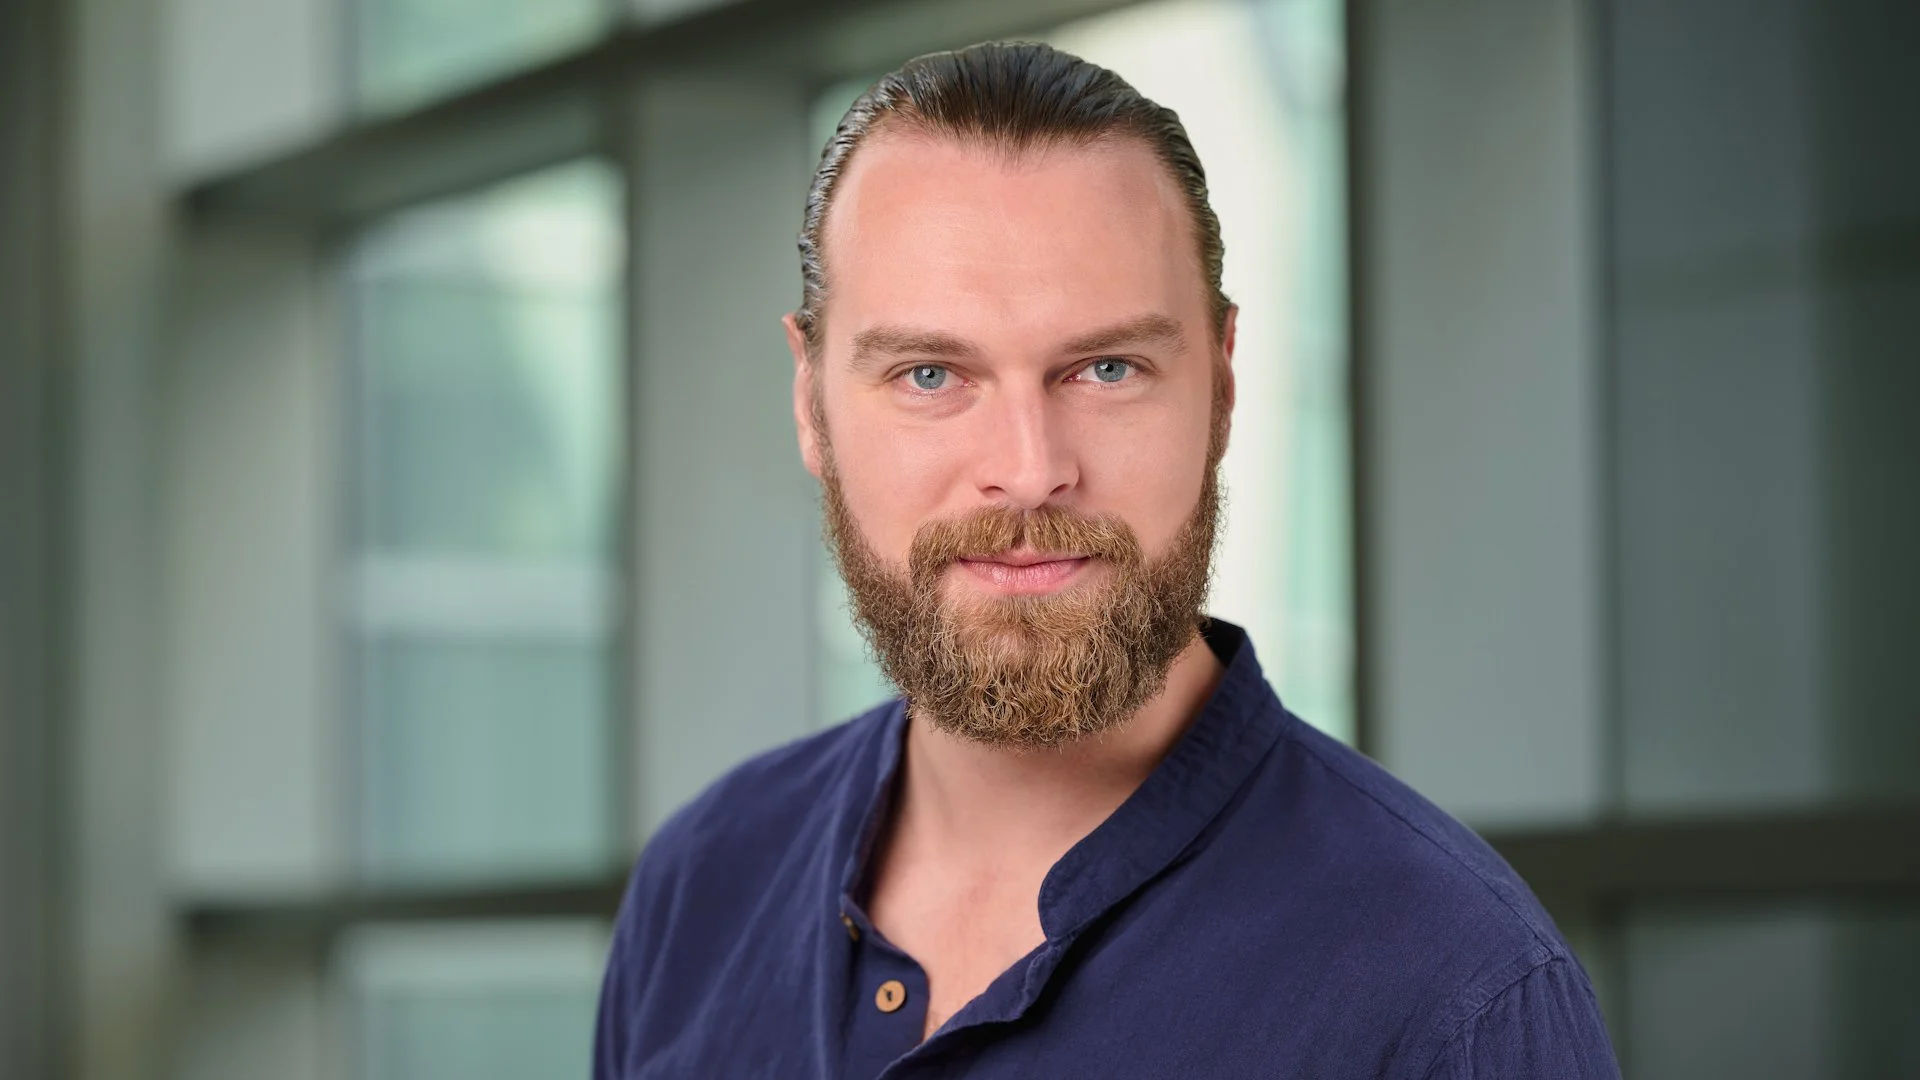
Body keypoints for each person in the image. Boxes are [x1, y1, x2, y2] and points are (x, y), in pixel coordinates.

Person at [593, 41, 1620, 1079]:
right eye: (932, 373)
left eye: (1108, 368)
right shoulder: (702, 886)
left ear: (1220, 387)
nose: (1030, 471)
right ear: (811, 403)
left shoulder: (1456, 994)